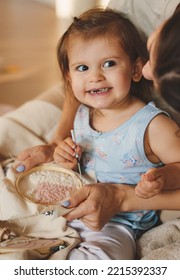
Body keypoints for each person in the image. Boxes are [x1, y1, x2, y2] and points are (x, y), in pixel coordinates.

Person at [43, 8, 180, 260]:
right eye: (82, 68)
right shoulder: (83, 114)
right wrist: (65, 158)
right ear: (69, 78)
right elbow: (83, 166)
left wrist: (163, 176)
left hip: (118, 224)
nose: (95, 76)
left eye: (109, 63)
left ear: (137, 69)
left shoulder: (152, 126)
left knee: (101, 258)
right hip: (73, 207)